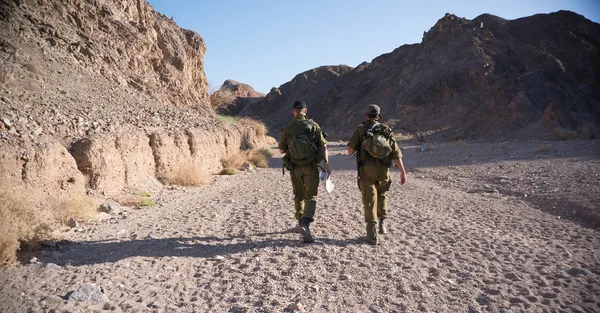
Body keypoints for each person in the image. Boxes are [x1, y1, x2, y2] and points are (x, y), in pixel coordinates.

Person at [347, 104, 407, 245]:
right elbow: (396, 154)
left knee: (369, 201)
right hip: (383, 171)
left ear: (366, 115)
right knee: (382, 195)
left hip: (367, 172)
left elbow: (350, 151)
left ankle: (372, 235)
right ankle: (382, 222)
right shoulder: (386, 130)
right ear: (379, 117)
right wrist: (403, 172)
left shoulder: (361, 129)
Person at [279, 100, 330, 243]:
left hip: (295, 167)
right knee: (311, 195)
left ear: (293, 111)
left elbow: (282, 150)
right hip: (310, 166)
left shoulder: (287, 128)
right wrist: (326, 166)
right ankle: (306, 224)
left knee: (298, 195)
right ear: (305, 111)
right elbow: (323, 146)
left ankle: (300, 222)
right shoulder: (313, 126)